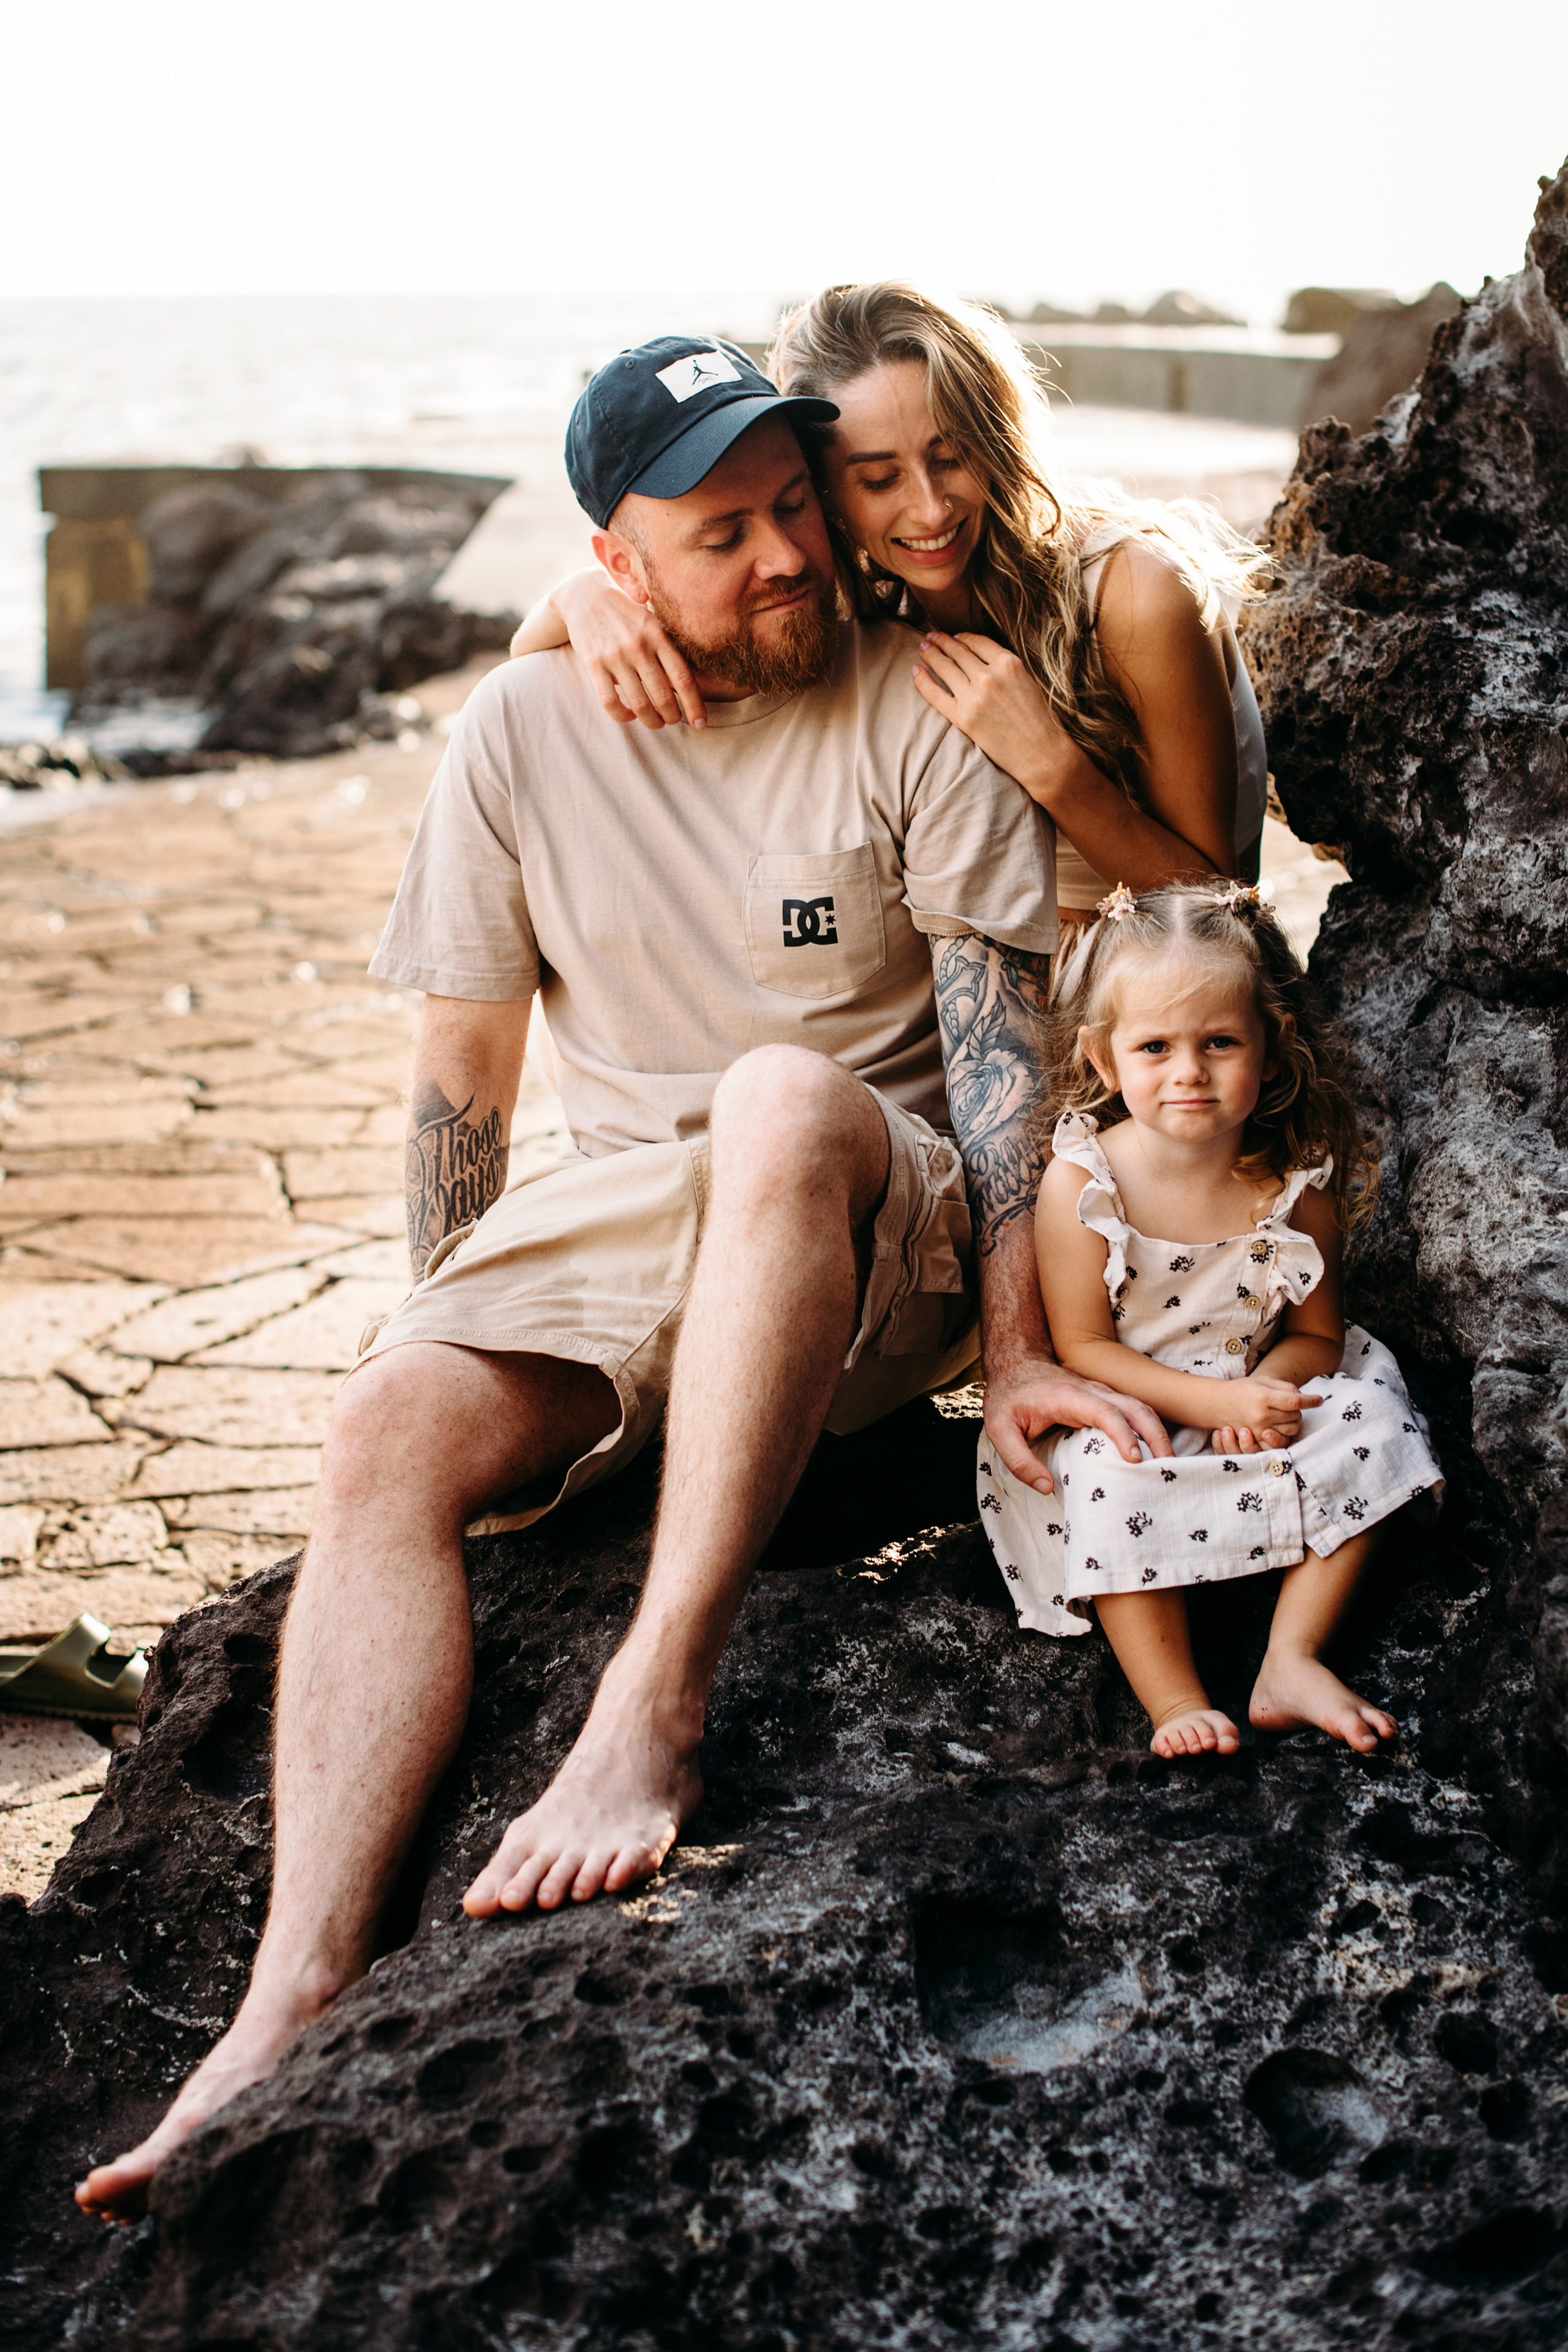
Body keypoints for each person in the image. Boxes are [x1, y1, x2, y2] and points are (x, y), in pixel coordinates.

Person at [77, 334, 1168, 2223]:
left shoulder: (916, 701)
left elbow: (1001, 1073)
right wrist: (448, 1317)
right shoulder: (518, 731)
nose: (786, 557)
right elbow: (461, 1080)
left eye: (788, 511)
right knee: (391, 1418)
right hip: (639, 1222)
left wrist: (1009, 1352)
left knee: (771, 1093)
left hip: (866, 1209)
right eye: (723, 531)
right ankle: (290, 1993)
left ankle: (647, 1707)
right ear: (615, 558)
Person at [512, 282, 1270, 930]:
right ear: (828, 491)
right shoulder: (846, 589)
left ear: (999, 442)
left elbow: (1222, 915)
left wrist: (1056, 770)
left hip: (1167, 1041)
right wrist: (584, 600)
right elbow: (527, 655)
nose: (930, 509)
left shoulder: (1131, 595)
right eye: (879, 480)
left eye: (951, 457)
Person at [977, 880, 1442, 1757]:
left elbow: (1318, 1336)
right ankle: (1173, 1698)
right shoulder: (1084, 1186)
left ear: (1269, 1052)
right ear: (1106, 1061)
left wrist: (1264, 1394)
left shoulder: (1294, 1190)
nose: (1189, 1071)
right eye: (1155, 1046)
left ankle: (1292, 1659)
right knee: (1106, 1479)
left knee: (1374, 1420)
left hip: (1255, 1402)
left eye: (1220, 1042)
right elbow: (1081, 1349)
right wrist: (1207, 1408)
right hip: (1131, 1412)